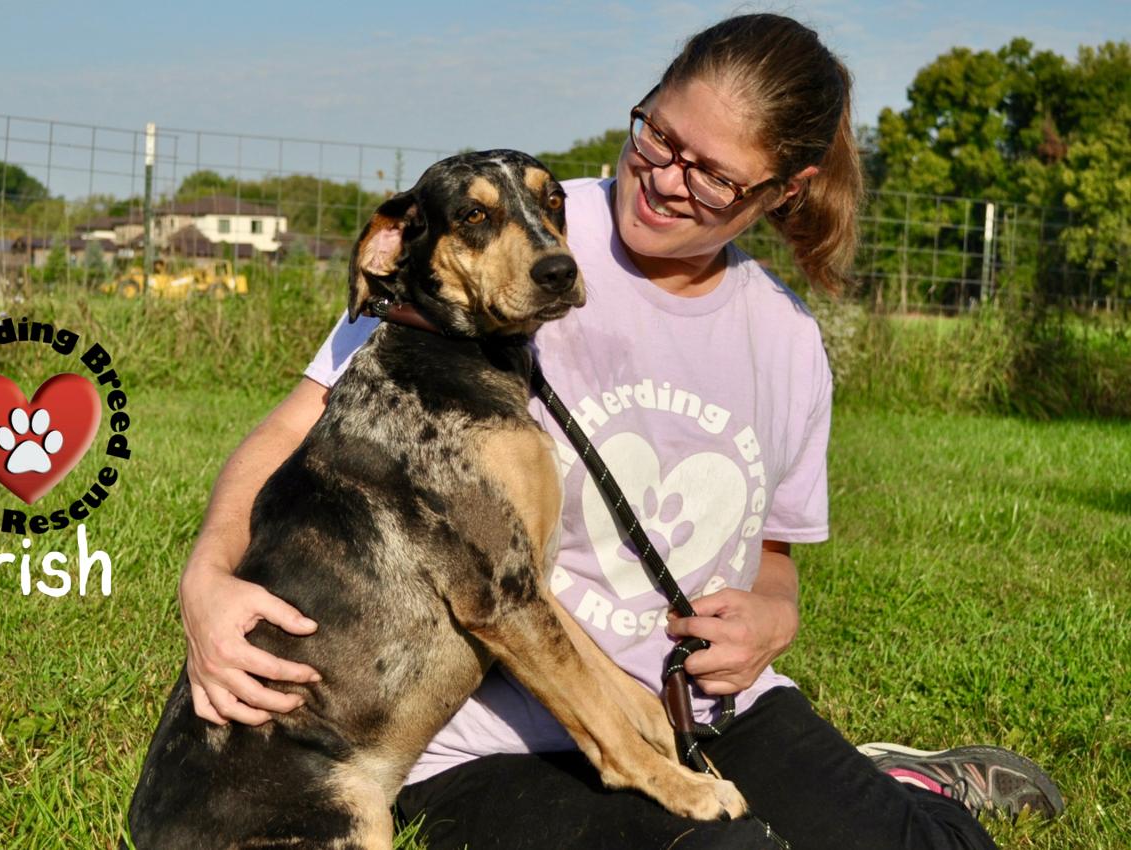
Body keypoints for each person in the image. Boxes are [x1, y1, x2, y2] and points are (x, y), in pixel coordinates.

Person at [176, 14, 1063, 850]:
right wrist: (209, 577)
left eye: (711, 174)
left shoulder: (786, 339)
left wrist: (773, 618)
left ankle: (906, 786)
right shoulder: (512, 239)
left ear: (779, 193)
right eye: (658, 136)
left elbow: (776, 551)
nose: (667, 177)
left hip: (701, 703)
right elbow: (299, 431)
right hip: (494, 735)